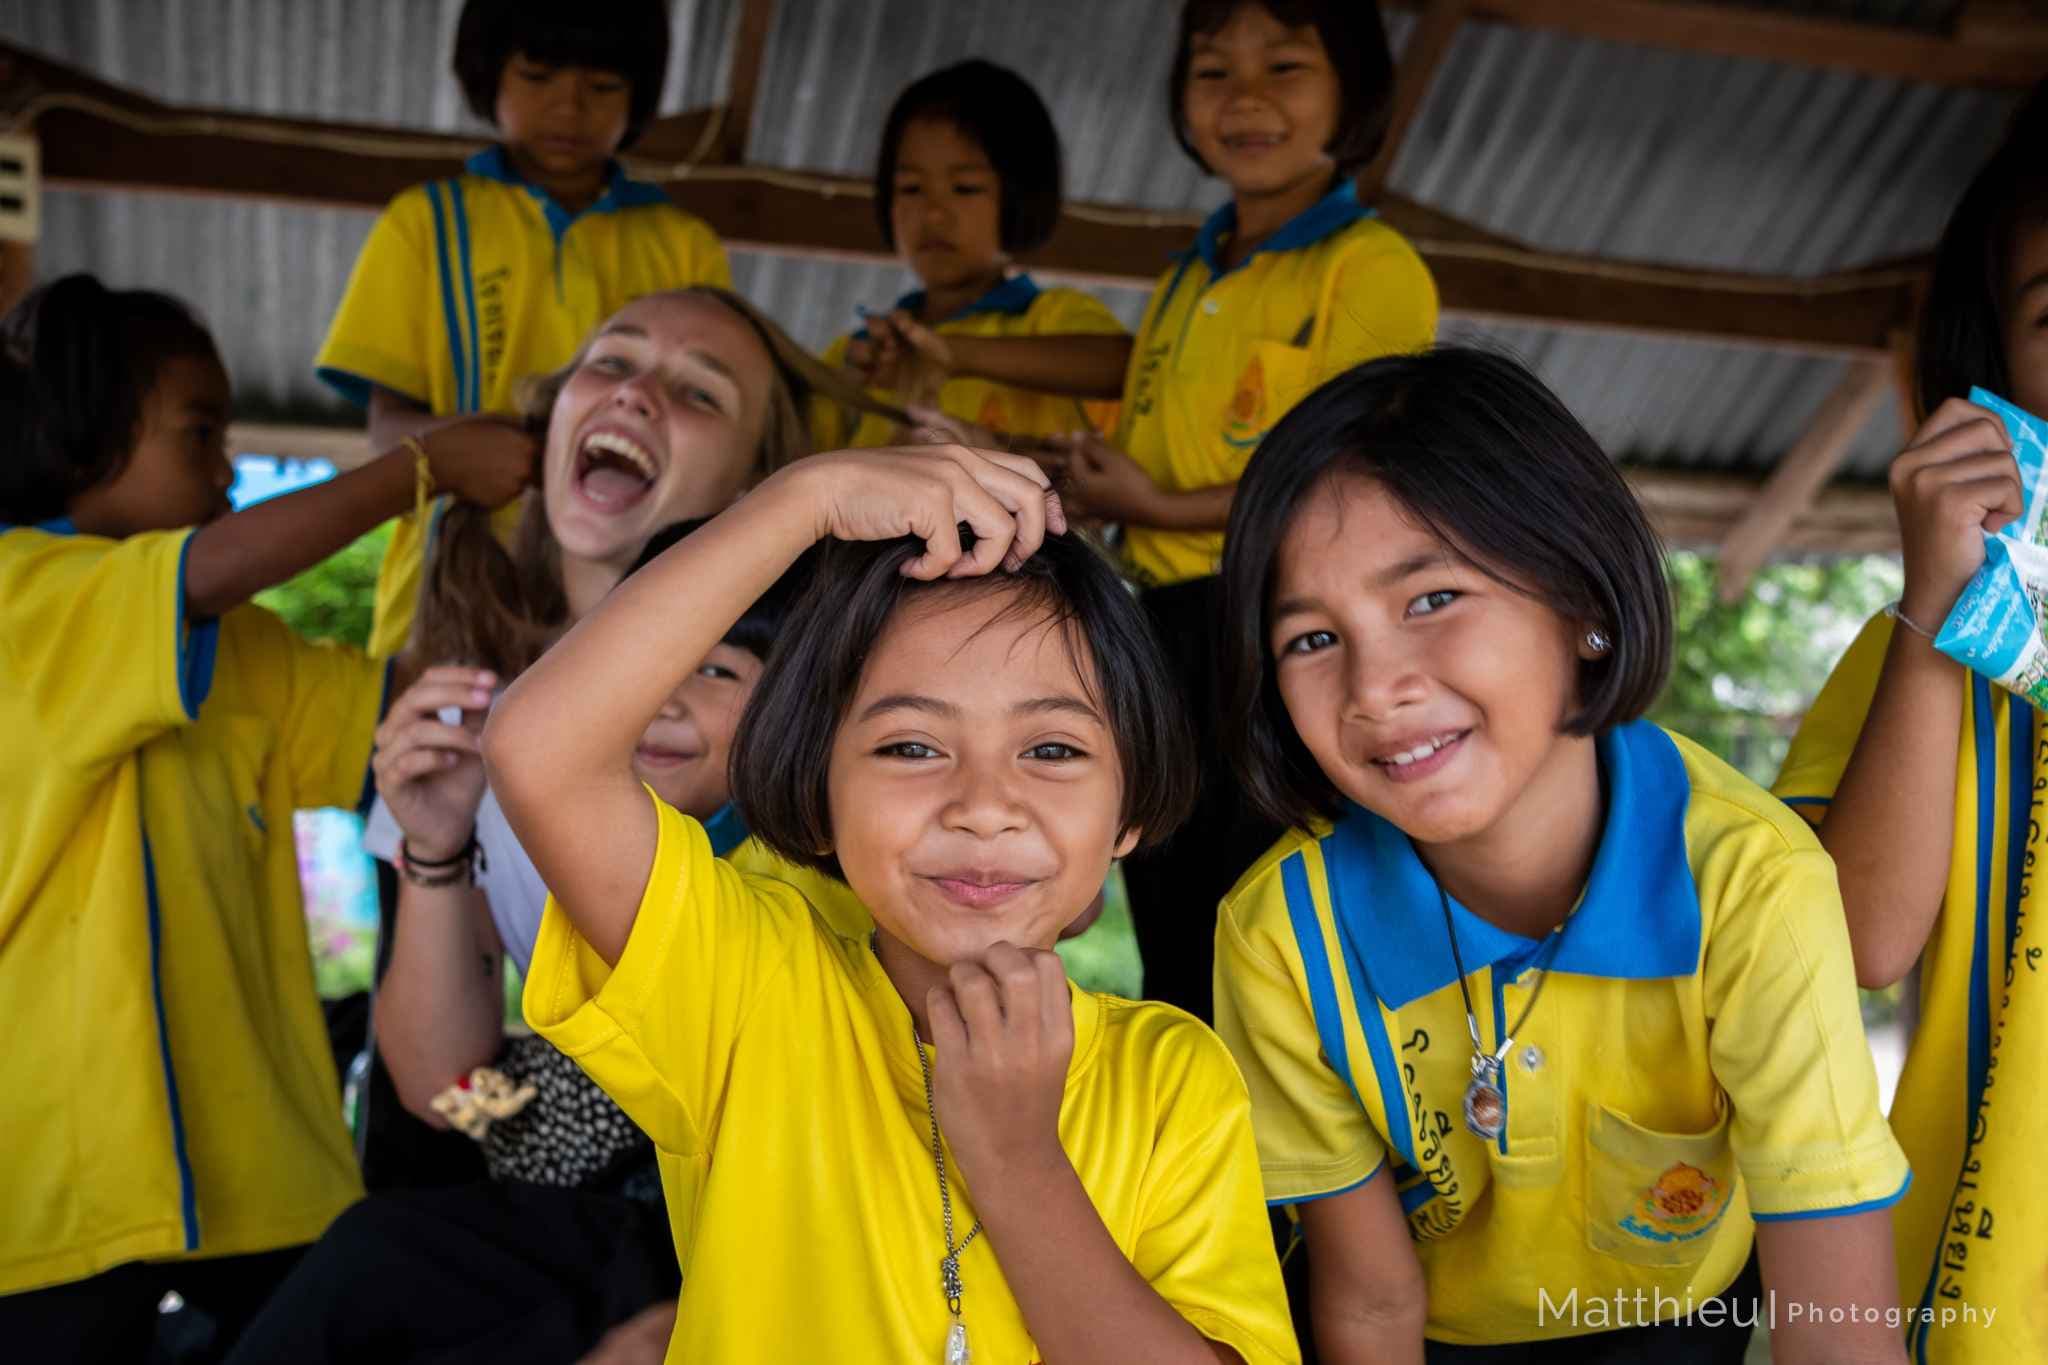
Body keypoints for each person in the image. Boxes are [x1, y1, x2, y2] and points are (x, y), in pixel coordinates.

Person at [484, 445, 1301, 1362]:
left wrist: (1018, 1162)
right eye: (912, 747)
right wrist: (810, 496)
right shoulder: (750, 992)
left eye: (1054, 750)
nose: (985, 804)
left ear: (1130, 811)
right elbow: (538, 748)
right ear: (817, 791)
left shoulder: (1172, 1078)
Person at [1211, 348, 1910, 1362]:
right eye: (1311, 640)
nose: (1374, 687)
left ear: (1580, 603)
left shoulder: (1750, 886)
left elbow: (1836, 1328)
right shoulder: (1282, 934)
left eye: (1430, 599)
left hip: (1679, 1323)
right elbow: (1367, 1306)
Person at [870, 0, 1437, 1020]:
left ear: (1352, 94)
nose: (1244, 97)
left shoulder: (1368, 264)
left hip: (1271, 625)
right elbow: (1146, 447)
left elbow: (1358, 473)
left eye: (1284, 66)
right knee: (1176, 919)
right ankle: (1197, 1156)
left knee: (1278, 916)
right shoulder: (1191, 272)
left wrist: (1159, 500)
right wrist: (1092, 484)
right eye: (1213, 71)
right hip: (1165, 627)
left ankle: (1309, 1163)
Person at [0, 273, 532, 1362]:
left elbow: (413, 720)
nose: (228, 470)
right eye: (199, 433)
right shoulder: (23, 588)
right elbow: (206, 571)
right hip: (54, 1197)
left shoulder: (240, 648)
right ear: (79, 428)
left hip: (261, 1179)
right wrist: (421, 470)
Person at [221, 524, 849, 1365]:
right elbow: (447, 1090)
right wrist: (438, 843)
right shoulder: (580, 843)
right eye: (646, 657)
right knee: (377, 1254)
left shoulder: (810, 880)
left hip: (743, 1259)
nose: (660, 695)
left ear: (800, 705)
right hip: (593, 1226)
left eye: (714, 668)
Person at [1772, 84, 2048, 1364]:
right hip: (1989, 1284)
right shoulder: (1916, 660)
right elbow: (1858, 946)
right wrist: (1939, 617)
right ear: (1992, 378)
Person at [316, 0, 730, 657]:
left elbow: (716, 429)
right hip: (442, 593)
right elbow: (385, 430)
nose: (569, 109)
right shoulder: (425, 222)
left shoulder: (684, 245)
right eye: (538, 77)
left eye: (602, 87)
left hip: (620, 591)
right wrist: (480, 449)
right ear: (487, 76)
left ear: (641, 96)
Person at [811, 59, 1127, 451]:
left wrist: (952, 356)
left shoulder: (1052, 319)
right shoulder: (857, 353)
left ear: (1019, 198)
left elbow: (1124, 367)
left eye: (964, 188)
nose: (933, 213)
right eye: (911, 188)